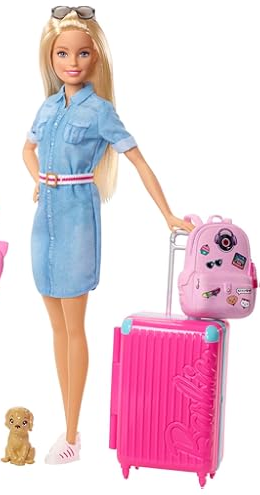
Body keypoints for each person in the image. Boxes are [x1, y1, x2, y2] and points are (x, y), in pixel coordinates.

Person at [22, 6, 193, 465]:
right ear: (50, 57)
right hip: (44, 222)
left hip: (77, 219)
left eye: (82, 53)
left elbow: (138, 160)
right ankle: (68, 425)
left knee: (74, 326)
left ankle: (72, 434)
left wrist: (167, 214)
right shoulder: (49, 106)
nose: (72, 62)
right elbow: (27, 149)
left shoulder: (100, 111)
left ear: (96, 57)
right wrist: (39, 178)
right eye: (62, 53)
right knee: (56, 326)